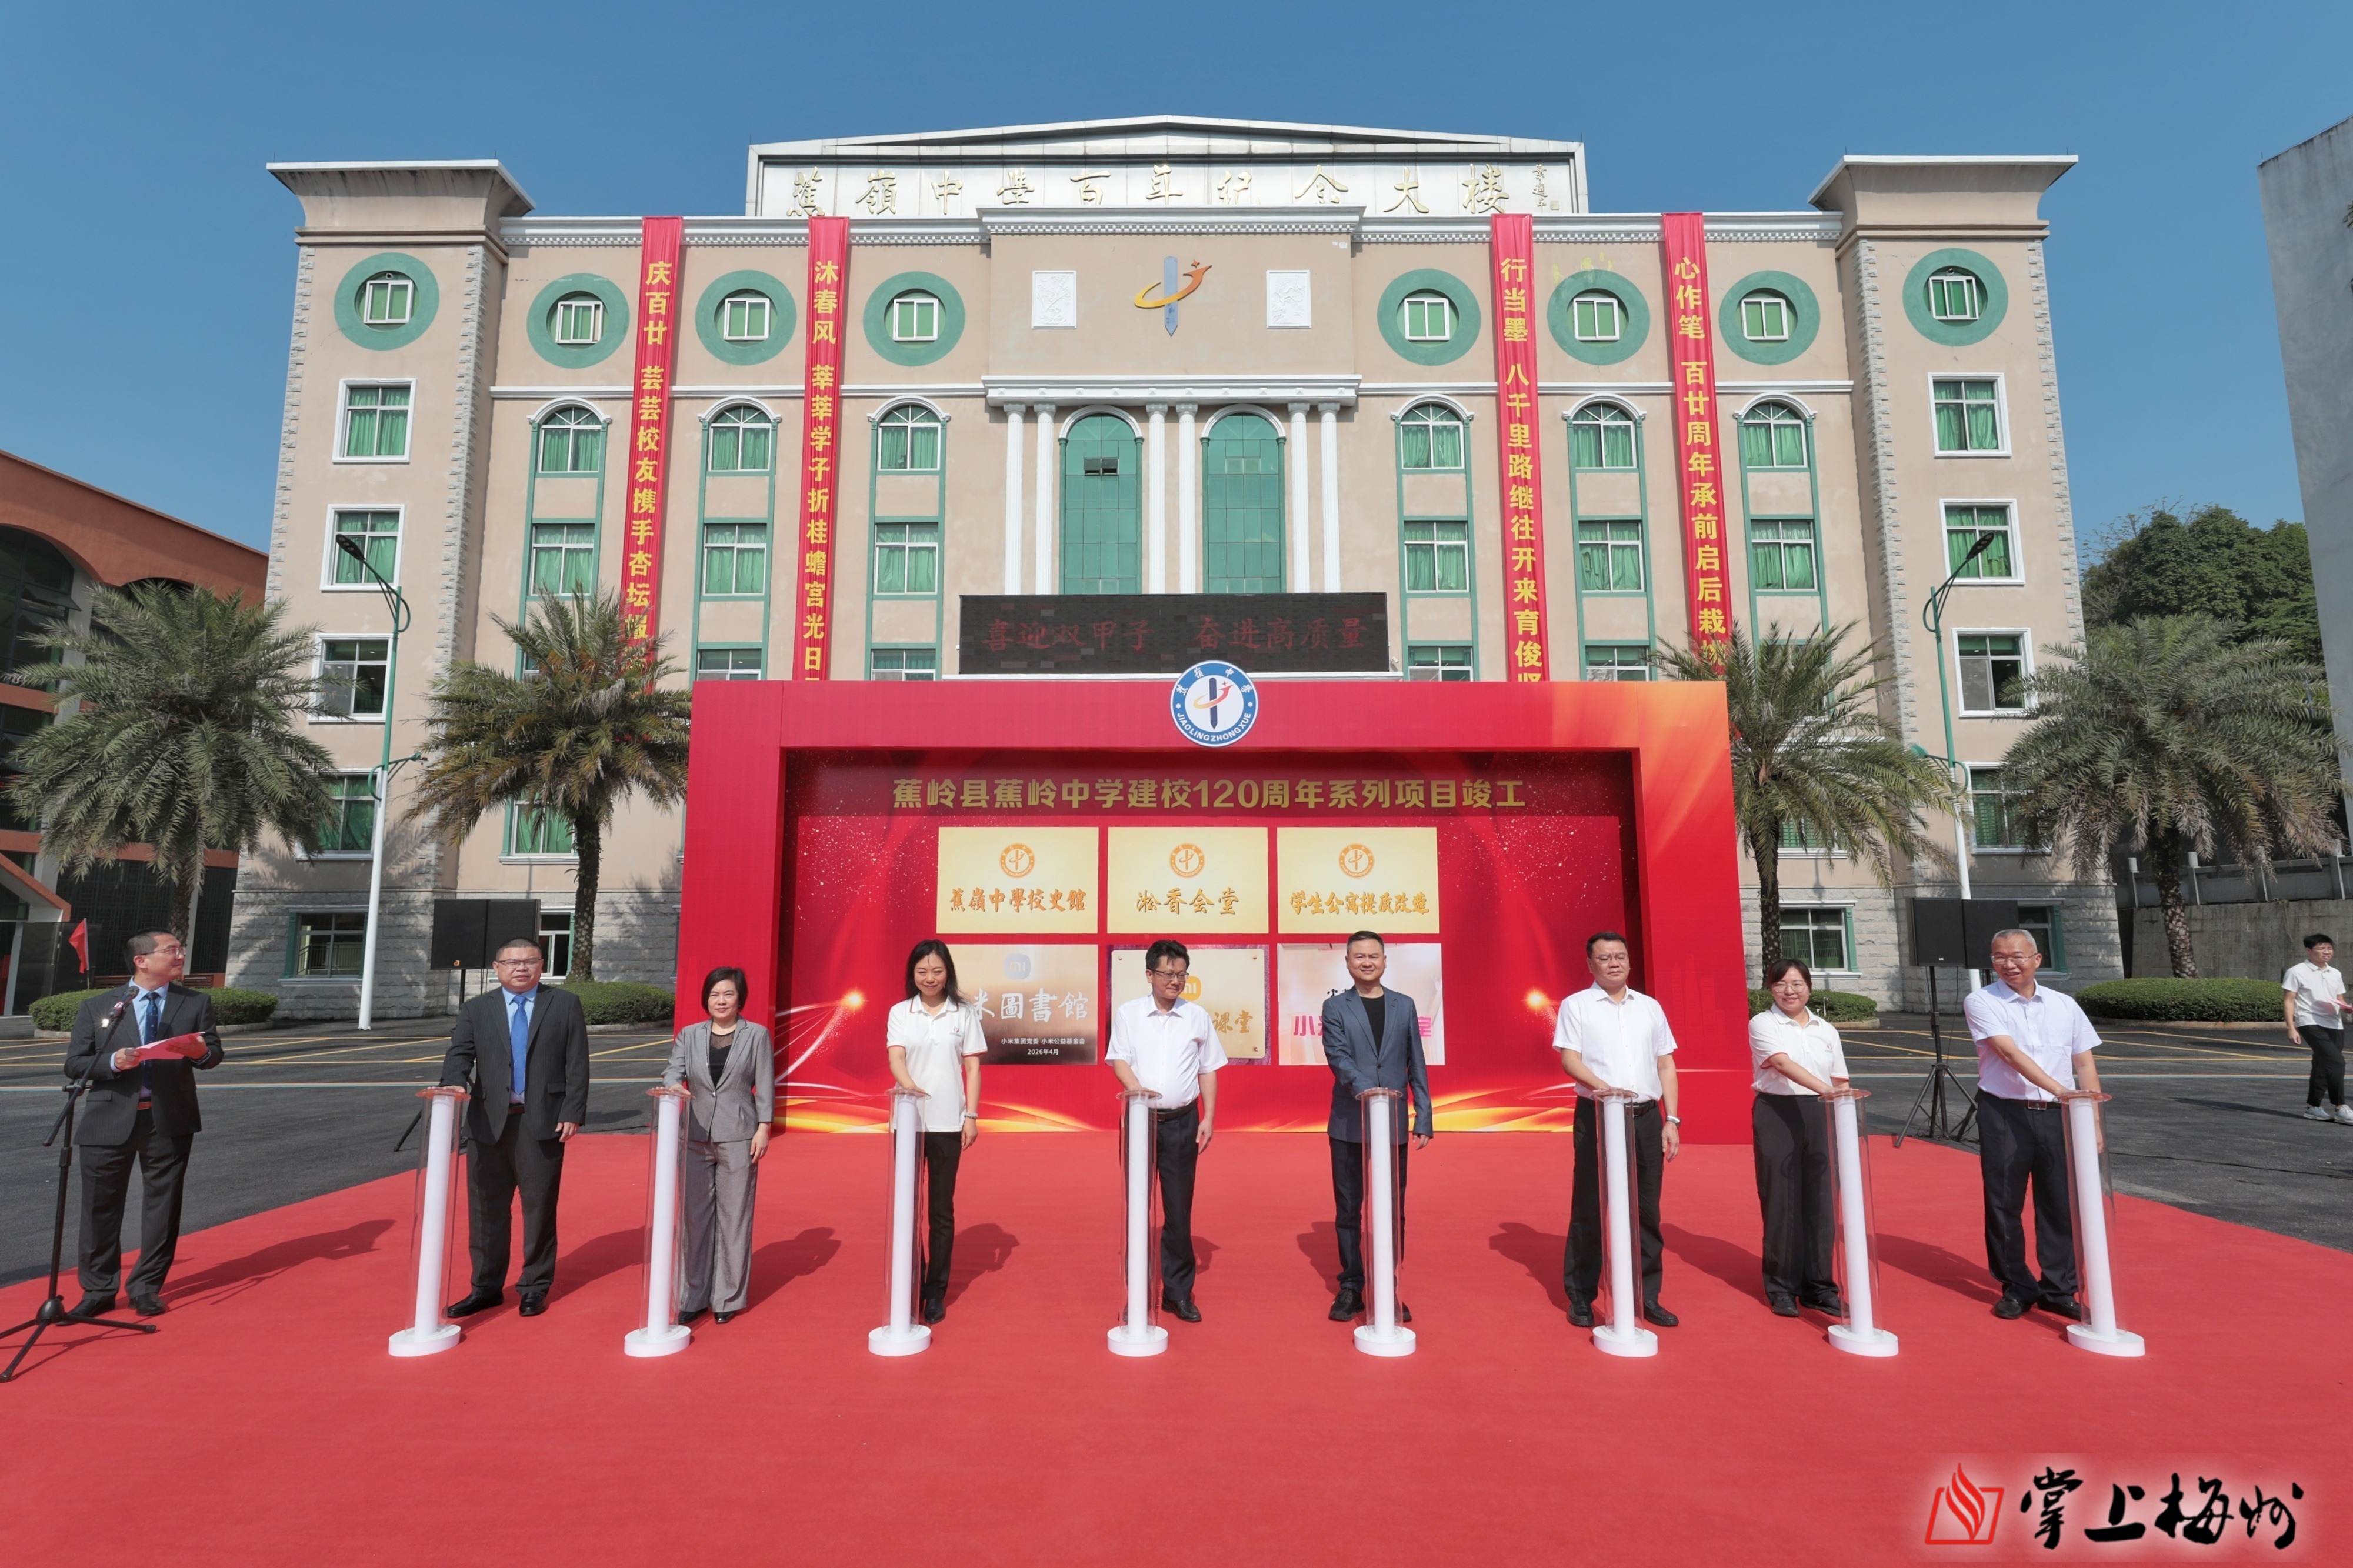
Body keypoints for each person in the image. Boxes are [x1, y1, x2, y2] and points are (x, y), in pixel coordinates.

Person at [63, 930, 225, 1318]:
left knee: (163, 1207)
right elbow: (75, 1064)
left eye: (181, 949)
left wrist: (201, 1053)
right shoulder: (100, 1005)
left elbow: (213, 1054)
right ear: (142, 960)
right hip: (108, 1118)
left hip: (168, 1118)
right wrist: (114, 1062)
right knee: (100, 1209)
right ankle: (98, 1290)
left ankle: (147, 1288)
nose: (180, 955)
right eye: (172, 950)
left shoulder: (195, 1002)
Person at [439, 938, 591, 1319]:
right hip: (488, 1123)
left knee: (539, 1209)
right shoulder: (477, 1008)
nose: (521, 968)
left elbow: (577, 1062)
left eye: (529, 961)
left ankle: (534, 1287)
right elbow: (460, 1053)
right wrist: (454, 1082)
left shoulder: (564, 1004)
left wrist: (573, 1111)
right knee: (486, 1210)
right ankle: (485, 1287)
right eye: (512, 962)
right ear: (497, 968)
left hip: (542, 1121)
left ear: (541, 964)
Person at [1963, 928, 2104, 1321]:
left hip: (2059, 1115)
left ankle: (2059, 1289)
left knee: (2060, 1203)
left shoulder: (2064, 1005)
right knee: (2004, 1202)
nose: (2008, 964)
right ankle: (2017, 1286)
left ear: (2037, 959)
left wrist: (2093, 1120)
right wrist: (2063, 1091)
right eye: (1999, 957)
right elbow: (2009, 1054)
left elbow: (2085, 1063)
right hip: (2005, 1113)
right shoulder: (1981, 1001)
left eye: (2017, 956)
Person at [1554, 930, 1681, 1330]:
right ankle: (1581, 1296)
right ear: (1590, 964)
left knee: (1647, 1209)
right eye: (1605, 957)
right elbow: (1570, 1061)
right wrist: (1607, 1090)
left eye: (1620, 956)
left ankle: (1646, 1294)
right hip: (1598, 1113)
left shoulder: (1649, 1008)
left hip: (1646, 1117)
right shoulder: (1577, 1006)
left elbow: (1665, 1065)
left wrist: (1672, 1119)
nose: (1614, 963)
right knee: (1591, 1205)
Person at [1106, 939, 1227, 1322]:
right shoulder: (1129, 1013)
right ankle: (1138, 1295)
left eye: (1181, 975)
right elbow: (1119, 1059)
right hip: (1140, 1120)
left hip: (1183, 1122)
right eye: (1167, 974)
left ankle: (1177, 1293)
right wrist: (1138, 1092)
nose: (1175, 981)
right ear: (1149, 975)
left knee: (1178, 1209)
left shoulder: (1196, 1016)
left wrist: (1209, 1117)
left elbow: (1208, 1068)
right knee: (1137, 1208)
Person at [1319, 931, 1433, 1323]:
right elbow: (1338, 1056)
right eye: (1359, 956)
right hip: (1350, 1120)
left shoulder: (1405, 1005)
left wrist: (1424, 1114)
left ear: (1385, 961)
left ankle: (1388, 1284)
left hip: (1394, 1121)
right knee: (1349, 1208)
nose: (1366, 962)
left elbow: (1416, 1061)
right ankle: (1352, 1285)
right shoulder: (1335, 1007)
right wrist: (1371, 1092)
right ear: (1347, 963)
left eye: (1373, 956)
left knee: (1392, 1208)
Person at [662, 966, 775, 1324]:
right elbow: (673, 1071)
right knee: (694, 1218)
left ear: (740, 998)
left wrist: (764, 1127)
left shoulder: (756, 1035)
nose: (721, 1000)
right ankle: (694, 1295)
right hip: (694, 1135)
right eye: (714, 994)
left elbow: (765, 1084)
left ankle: (727, 1297)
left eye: (728, 994)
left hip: (740, 1135)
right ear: (706, 999)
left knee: (734, 1217)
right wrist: (674, 1086)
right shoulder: (689, 1035)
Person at [885, 939, 985, 1326]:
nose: (930, 978)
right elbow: (896, 1056)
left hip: (947, 1123)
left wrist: (971, 1115)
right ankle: (911, 1282)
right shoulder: (901, 1012)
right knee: (908, 1208)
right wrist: (911, 1090)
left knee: (941, 1211)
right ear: (912, 973)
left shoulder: (964, 1013)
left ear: (948, 974)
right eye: (922, 971)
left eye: (937, 971)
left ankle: (935, 1291)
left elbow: (972, 1068)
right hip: (908, 1121)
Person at [1748, 958, 1851, 1319]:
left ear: (1809, 987)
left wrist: (1844, 1109)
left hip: (1822, 1113)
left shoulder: (1826, 1029)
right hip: (1779, 1112)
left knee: (1822, 1201)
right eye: (1781, 985)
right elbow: (1781, 1063)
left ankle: (1819, 1286)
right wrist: (1827, 1090)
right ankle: (1781, 1286)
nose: (1790, 991)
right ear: (1771, 989)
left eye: (1797, 984)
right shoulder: (1763, 1023)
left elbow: (1841, 1079)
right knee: (1782, 1200)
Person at [2282, 933, 2352, 1124]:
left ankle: (2313, 1107)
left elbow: (2339, 999)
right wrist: (2291, 1028)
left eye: (2329, 948)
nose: (2327, 952)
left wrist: (2346, 1007)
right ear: (2309, 951)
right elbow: (2289, 1001)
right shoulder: (2296, 972)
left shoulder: (2335, 973)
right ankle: (2340, 1107)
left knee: (2322, 1064)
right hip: (2309, 1021)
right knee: (2337, 1063)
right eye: (2321, 949)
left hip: (2334, 1023)